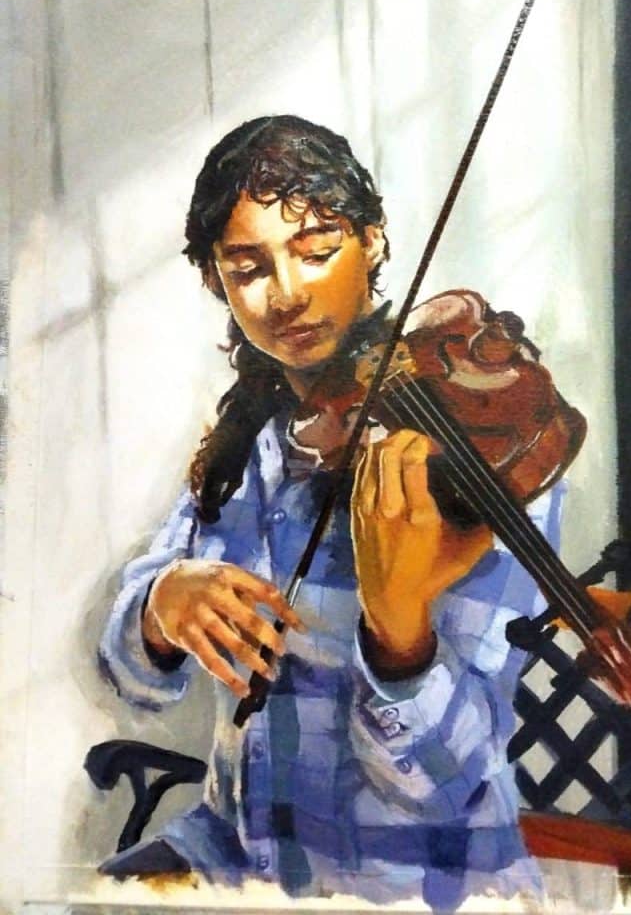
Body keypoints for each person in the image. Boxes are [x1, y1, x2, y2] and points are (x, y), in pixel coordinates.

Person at [99, 115, 563, 909]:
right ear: (215, 280)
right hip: (237, 855)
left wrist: (398, 631)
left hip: (417, 884)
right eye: (248, 268)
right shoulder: (248, 439)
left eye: (317, 250)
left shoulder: (482, 453)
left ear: (373, 242)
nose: (286, 295)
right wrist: (160, 607)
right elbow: (129, 675)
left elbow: (450, 786)